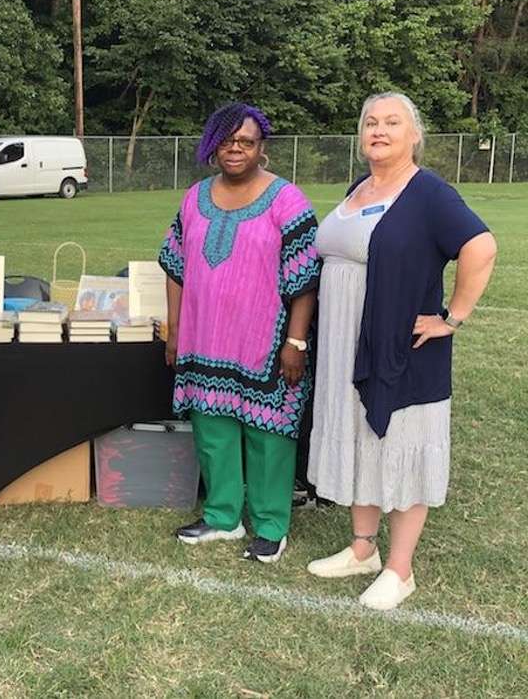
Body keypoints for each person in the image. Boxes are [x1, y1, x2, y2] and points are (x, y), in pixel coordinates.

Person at [306, 93, 497, 610]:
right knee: (361, 435)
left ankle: (400, 569)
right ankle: (363, 550)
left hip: (402, 346)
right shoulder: (359, 188)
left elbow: (481, 247)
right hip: (346, 343)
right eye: (371, 121)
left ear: (415, 135)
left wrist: (452, 318)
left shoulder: (429, 193)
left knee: (403, 444)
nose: (379, 130)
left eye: (393, 122)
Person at [159, 102, 321, 563]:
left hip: (265, 344)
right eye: (227, 140)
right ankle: (222, 516)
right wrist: (175, 330)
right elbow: (174, 266)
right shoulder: (195, 198)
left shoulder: (288, 200)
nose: (235, 149)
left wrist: (296, 341)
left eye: (245, 141)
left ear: (261, 147)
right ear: (214, 146)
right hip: (205, 340)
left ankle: (271, 525)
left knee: (269, 434)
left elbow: (304, 278)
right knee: (213, 430)